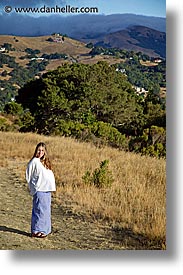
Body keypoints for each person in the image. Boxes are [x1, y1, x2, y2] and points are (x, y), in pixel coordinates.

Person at [26, 142, 56, 238]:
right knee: (39, 211)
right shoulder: (34, 161)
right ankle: (36, 230)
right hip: (40, 189)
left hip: (47, 189)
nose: (40, 152)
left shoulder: (45, 162)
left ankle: (45, 230)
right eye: (39, 150)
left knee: (46, 211)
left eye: (42, 150)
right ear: (36, 151)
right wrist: (33, 188)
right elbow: (28, 175)